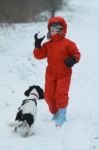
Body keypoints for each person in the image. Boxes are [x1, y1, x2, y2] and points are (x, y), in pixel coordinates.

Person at [33, 16, 81, 127]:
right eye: (52, 29)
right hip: (50, 74)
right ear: (49, 31)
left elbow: (77, 53)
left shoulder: (68, 43)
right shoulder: (48, 45)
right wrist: (37, 46)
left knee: (61, 94)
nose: (54, 31)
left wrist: (73, 59)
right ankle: (55, 112)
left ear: (62, 30)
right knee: (49, 95)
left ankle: (62, 113)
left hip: (64, 73)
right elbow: (38, 55)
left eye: (57, 29)